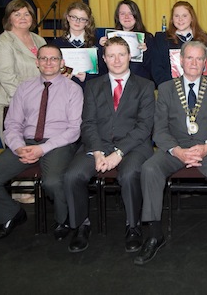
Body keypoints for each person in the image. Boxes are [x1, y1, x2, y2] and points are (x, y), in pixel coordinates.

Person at [135, 40, 207, 265]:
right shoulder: (167, 88)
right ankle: (154, 234)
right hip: (175, 147)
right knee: (149, 168)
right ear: (181, 60)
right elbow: (158, 129)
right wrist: (177, 151)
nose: (194, 63)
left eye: (199, 58)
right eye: (190, 58)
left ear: (205, 62)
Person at [0, 44, 83, 242]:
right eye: (44, 58)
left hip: (57, 143)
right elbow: (12, 123)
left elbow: (74, 130)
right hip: (25, 143)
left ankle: (63, 220)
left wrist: (42, 149)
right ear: (37, 62)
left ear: (62, 63)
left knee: (52, 182)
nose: (48, 62)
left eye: (54, 59)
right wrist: (18, 146)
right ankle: (11, 214)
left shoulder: (73, 90)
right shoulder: (25, 88)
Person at [64, 37, 155, 253]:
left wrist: (119, 153)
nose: (116, 60)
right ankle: (80, 225)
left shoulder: (145, 86)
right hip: (98, 144)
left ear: (129, 57)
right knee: (72, 176)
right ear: (103, 59)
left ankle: (133, 226)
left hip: (133, 145)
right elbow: (88, 123)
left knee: (130, 174)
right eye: (111, 55)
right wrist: (97, 152)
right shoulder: (93, 86)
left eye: (121, 54)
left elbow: (144, 127)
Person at [0, 0, 47, 144]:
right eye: (17, 14)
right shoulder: (2, 42)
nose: (23, 18)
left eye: (26, 14)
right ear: (9, 18)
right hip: (14, 105)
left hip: (41, 105)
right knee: (18, 154)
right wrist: (31, 102)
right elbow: (7, 79)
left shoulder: (39, 40)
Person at [151, 1, 207, 86]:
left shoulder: (203, 38)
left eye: (184, 16)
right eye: (176, 16)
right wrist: (169, 88)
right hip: (170, 89)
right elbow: (157, 69)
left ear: (192, 18)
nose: (180, 19)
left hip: (200, 89)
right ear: (172, 19)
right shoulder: (161, 38)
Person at [99, 0, 154, 81]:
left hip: (140, 85)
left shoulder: (148, 38)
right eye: (122, 13)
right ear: (117, 16)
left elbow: (153, 68)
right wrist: (101, 49)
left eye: (130, 13)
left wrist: (146, 52)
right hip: (114, 83)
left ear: (136, 16)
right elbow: (102, 69)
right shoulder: (110, 37)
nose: (126, 17)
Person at [52, 1, 101, 86]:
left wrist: (87, 77)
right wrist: (61, 74)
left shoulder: (96, 43)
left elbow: (104, 72)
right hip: (63, 90)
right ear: (67, 17)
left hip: (90, 90)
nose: (77, 22)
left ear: (87, 22)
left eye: (82, 19)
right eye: (74, 17)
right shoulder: (56, 44)